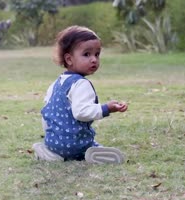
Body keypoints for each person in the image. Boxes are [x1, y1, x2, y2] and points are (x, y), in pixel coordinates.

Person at [33, 26, 128, 164]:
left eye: (97, 54)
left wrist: (51, 135)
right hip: (75, 144)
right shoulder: (81, 84)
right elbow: (81, 113)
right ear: (69, 59)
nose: (94, 59)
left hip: (54, 141)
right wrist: (106, 108)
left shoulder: (57, 83)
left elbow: (47, 113)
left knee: (58, 146)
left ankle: (50, 151)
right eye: (87, 54)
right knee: (89, 146)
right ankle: (88, 152)